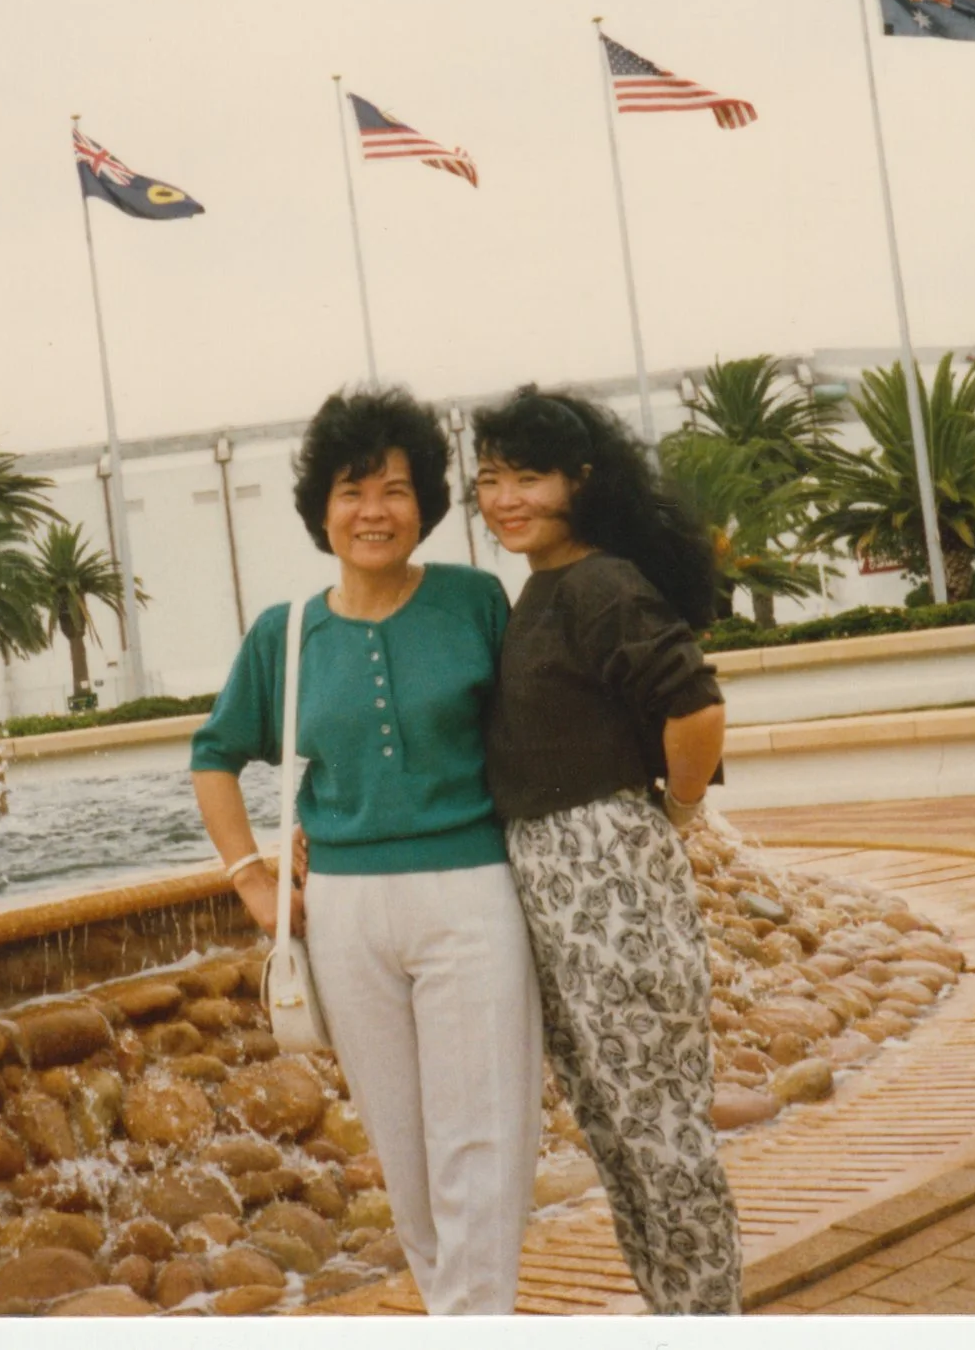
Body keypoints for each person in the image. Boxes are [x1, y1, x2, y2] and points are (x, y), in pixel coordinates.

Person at [189, 385, 543, 1315]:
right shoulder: (288, 633)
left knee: (481, 1139)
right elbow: (214, 758)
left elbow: (536, 734)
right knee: (406, 1150)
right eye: (352, 491)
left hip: (471, 897)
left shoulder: (476, 601)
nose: (373, 511)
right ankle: (455, 1315)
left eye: (393, 489)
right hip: (346, 916)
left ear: (423, 501)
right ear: (321, 510)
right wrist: (254, 883)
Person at [470, 385, 742, 1315]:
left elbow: (696, 705)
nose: (506, 498)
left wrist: (678, 812)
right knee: (619, 1127)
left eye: (529, 478)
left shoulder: (599, 583)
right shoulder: (546, 587)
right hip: (563, 882)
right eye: (490, 479)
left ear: (581, 482)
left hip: (608, 875)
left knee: (658, 1132)